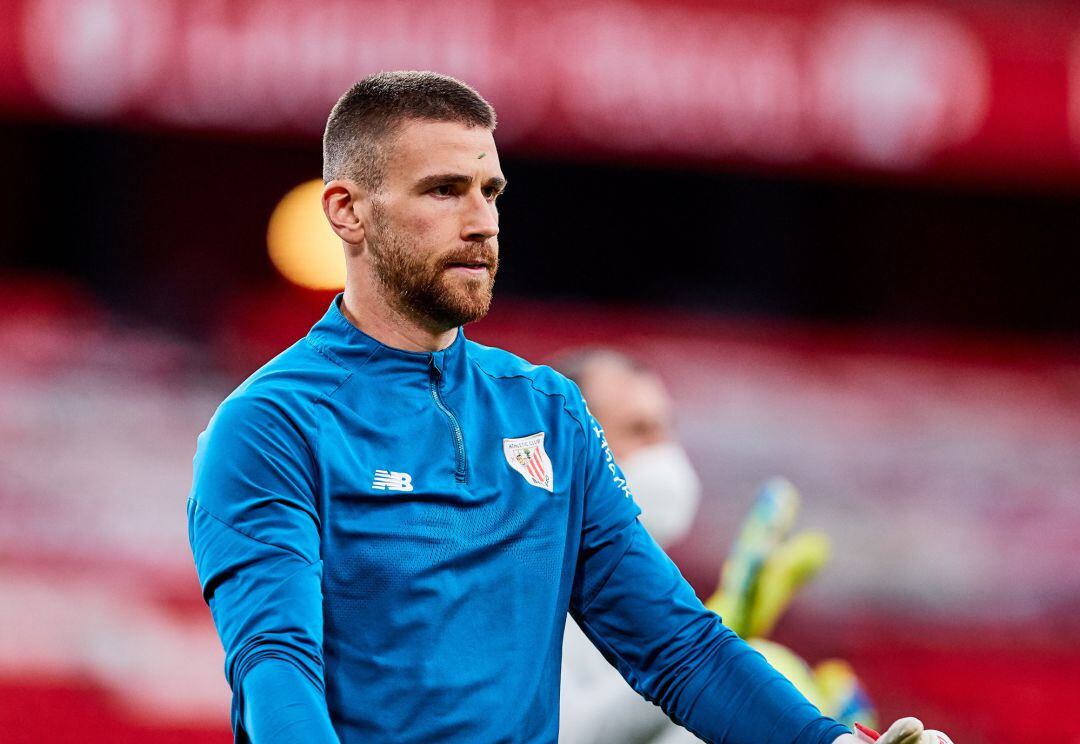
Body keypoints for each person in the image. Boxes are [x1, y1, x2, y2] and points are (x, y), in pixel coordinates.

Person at [186, 71, 952, 744]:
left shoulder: (546, 410)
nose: (483, 221)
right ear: (347, 211)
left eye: (491, 192)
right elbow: (275, 667)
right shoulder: (270, 427)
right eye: (445, 190)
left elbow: (677, 648)